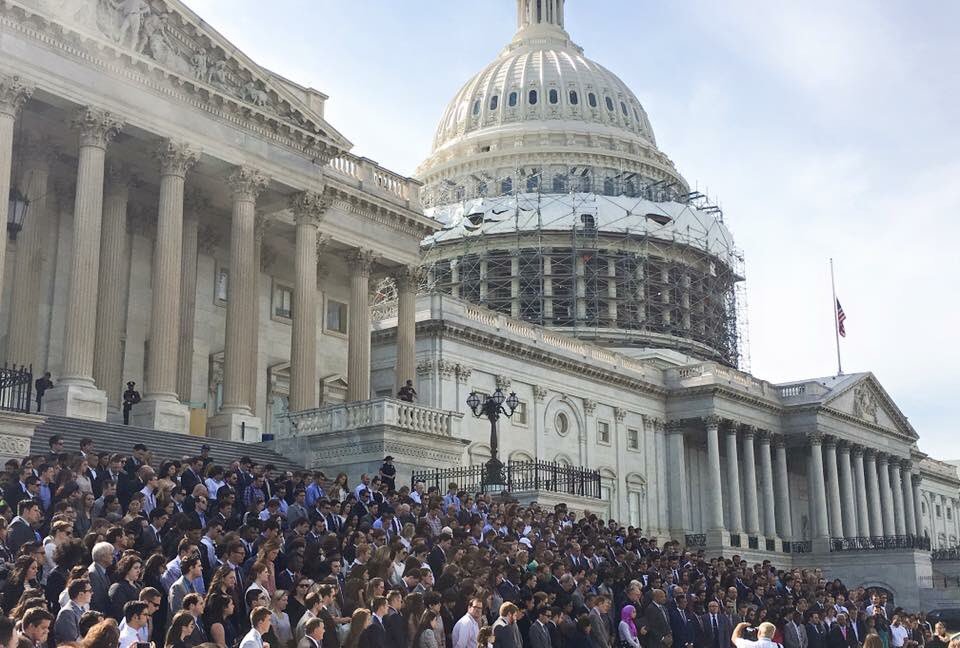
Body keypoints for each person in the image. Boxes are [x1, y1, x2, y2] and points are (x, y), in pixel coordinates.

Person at [55, 578, 93, 644]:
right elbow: (71, 640)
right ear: (81, 594)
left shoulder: (82, 609)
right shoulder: (67, 613)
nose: (92, 593)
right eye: (90, 590)